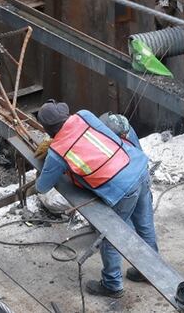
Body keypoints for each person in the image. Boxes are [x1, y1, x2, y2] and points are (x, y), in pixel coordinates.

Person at [35, 101, 152, 299]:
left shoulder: (57, 152)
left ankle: (112, 284)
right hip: (138, 166)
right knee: (144, 224)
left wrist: (52, 155)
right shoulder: (85, 115)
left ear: (48, 131)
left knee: (108, 236)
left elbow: (42, 186)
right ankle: (148, 269)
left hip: (122, 188)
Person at [99, 112, 159, 284]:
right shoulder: (123, 129)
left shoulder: (115, 135)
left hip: (127, 184)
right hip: (141, 176)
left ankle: (112, 283)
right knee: (144, 224)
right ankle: (151, 271)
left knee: (110, 232)